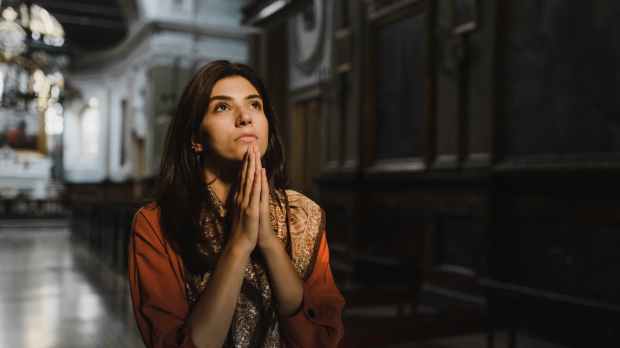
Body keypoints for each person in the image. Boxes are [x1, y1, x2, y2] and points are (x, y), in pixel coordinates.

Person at [128, 60, 345, 348]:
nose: (246, 117)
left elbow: (320, 338)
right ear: (195, 138)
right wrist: (240, 243)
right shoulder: (156, 223)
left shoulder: (305, 214)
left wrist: (268, 241)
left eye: (255, 105)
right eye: (222, 107)